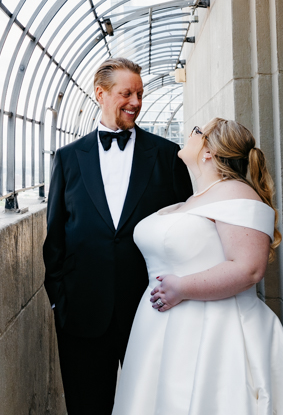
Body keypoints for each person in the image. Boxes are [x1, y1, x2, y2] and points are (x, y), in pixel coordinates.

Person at [111, 117, 283, 415]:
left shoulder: (237, 193)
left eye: (196, 132)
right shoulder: (199, 196)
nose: (190, 135)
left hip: (213, 333)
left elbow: (249, 269)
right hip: (160, 331)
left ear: (209, 151)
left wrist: (181, 287)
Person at [42, 57, 193, 415]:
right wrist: (59, 302)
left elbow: (186, 228)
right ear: (101, 94)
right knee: (86, 407)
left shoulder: (167, 155)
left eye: (139, 94)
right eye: (127, 93)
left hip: (152, 309)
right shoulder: (67, 158)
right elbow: (55, 239)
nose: (136, 102)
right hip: (81, 313)